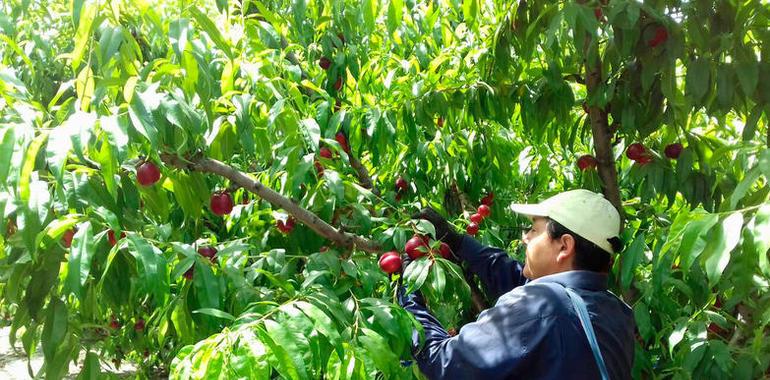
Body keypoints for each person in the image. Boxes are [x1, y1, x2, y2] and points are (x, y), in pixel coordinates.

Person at [399, 189, 635, 379]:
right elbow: (520, 284)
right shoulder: (615, 311)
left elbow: (442, 361)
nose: (525, 237)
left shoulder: (542, 307)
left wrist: (409, 288)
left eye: (534, 229)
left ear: (564, 246)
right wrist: (458, 242)